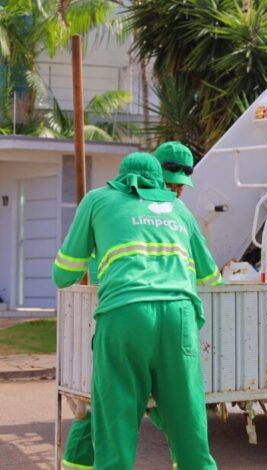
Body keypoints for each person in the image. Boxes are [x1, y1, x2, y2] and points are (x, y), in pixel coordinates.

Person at [53, 152, 222, 469]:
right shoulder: (180, 210)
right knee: (188, 425)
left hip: (124, 314)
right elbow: (212, 277)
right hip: (180, 318)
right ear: (161, 180)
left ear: (121, 177)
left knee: (115, 423)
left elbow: (63, 274)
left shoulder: (97, 200)